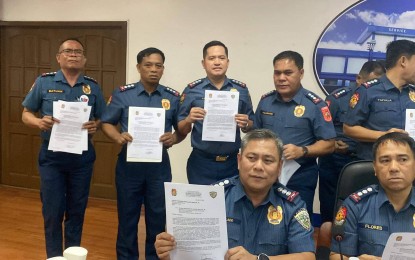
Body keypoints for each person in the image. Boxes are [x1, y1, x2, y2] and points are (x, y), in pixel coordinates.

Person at [155, 129, 315, 260]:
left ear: (279, 167)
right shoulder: (212, 198)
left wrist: (257, 259)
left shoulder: (292, 205)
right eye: (251, 158)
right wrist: (169, 252)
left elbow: (307, 256)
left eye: (268, 161)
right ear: (239, 161)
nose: (258, 167)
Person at [21, 38, 106, 258]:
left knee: (76, 212)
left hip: (82, 159)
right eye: (68, 51)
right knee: (52, 212)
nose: (74, 55)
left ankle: (72, 256)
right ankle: (54, 256)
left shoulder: (93, 86)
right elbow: (26, 114)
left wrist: (94, 125)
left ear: (84, 58)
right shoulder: (43, 82)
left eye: (78, 52)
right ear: (59, 57)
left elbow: (102, 119)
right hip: (52, 158)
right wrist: (39, 122)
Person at [101, 47, 185, 260]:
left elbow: (182, 129)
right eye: (148, 65)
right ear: (139, 67)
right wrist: (118, 137)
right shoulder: (123, 94)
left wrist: (174, 138)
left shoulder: (172, 97)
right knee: (127, 219)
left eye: (158, 66)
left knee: (157, 219)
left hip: (158, 167)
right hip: (129, 167)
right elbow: (106, 123)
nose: (153, 70)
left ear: (163, 69)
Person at [254, 50, 336, 218]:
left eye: (288, 73)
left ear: (301, 73)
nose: (281, 78)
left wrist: (303, 150)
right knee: (263, 219)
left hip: (300, 177)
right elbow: (255, 136)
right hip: (266, 175)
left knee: (298, 222)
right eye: (277, 73)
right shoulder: (265, 101)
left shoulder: (315, 105)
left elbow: (330, 144)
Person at [318, 61, 386, 224]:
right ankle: (328, 240)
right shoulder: (337, 98)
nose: (374, 87)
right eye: (370, 82)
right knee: (330, 202)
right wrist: (332, 144)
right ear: (359, 79)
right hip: (335, 159)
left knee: (361, 202)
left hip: (364, 158)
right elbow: (322, 127)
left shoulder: (380, 101)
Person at [178, 40, 254, 185]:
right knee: (202, 206)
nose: (217, 62)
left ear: (228, 62)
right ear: (203, 63)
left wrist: (245, 123)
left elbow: (252, 124)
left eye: (221, 58)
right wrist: (189, 120)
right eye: (211, 58)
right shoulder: (192, 90)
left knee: (230, 206)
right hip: (201, 163)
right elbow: (181, 128)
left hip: (232, 163)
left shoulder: (241, 90)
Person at [330, 132, 415, 259]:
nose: (394, 168)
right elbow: (337, 255)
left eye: (402, 159)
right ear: (375, 167)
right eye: (385, 160)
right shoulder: (355, 205)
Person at [344, 39, 415, 160]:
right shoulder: (367, 91)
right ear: (403, 61)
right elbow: (348, 129)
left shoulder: (412, 92)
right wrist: (384, 136)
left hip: (408, 167)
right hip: (374, 166)